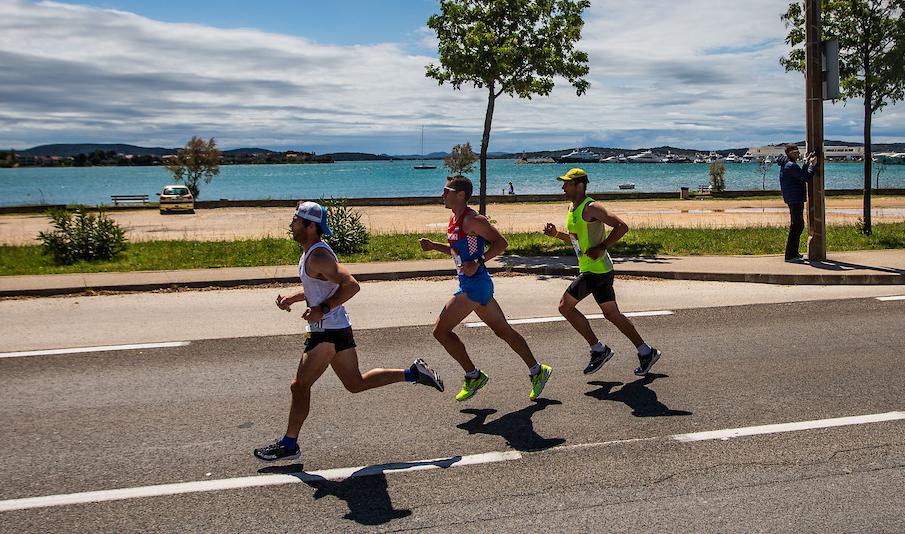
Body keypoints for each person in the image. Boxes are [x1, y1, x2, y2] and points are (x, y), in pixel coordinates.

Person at [254, 201, 444, 463]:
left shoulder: (319, 255)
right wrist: (294, 298)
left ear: (310, 226)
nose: (292, 224)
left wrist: (322, 308)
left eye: (296, 220)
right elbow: (322, 287)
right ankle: (413, 373)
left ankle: (289, 444)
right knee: (355, 383)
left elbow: (351, 285)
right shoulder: (311, 252)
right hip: (336, 328)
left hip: (327, 331)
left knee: (299, 386)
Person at [420, 176, 552, 402]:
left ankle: (473, 375)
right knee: (503, 331)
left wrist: (479, 261)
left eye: (446, 190)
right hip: (471, 283)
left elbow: (501, 242)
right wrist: (434, 247)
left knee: (440, 331)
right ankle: (537, 370)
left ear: (460, 194)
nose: (442, 195)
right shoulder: (455, 219)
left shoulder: (473, 220)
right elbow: (457, 252)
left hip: (475, 285)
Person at [543, 168, 661, 376]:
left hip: (595, 271)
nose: (563, 187)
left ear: (579, 186)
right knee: (612, 314)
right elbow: (576, 240)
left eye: (567, 183)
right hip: (597, 269)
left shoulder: (592, 207)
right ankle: (646, 351)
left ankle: (598, 349)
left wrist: (602, 247)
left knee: (565, 307)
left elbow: (621, 227)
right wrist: (556, 235)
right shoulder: (572, 208)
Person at [774, 144, 820, 261]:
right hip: (795, 198)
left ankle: (793, 253)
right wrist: (812, 165)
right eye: (796, 152)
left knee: (797, 225)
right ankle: (790, 255)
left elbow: (799, 175)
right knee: (797, 226)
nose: (799, 154)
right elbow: (806, 177)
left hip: (793, 197)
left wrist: (806, 164)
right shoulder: (790, 166)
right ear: (790, 153)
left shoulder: (788, 165)